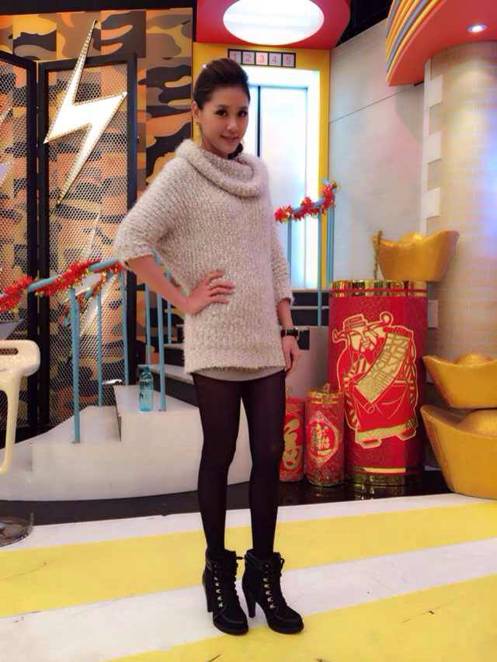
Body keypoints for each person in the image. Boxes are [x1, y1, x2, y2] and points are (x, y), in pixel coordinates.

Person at [113, 58, 304, 636]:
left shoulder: (257, 173)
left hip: (263, 339)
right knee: (219, 455)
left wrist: (287, 325)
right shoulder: (182, 174)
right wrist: (183, 298)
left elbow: (271, 251)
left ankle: (263, 574)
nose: (233, 124)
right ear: (197, 112)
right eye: (221, 112)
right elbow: (130, 239)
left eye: (242, 113)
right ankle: (218, 570)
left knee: (270, 452)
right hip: (216, 337)